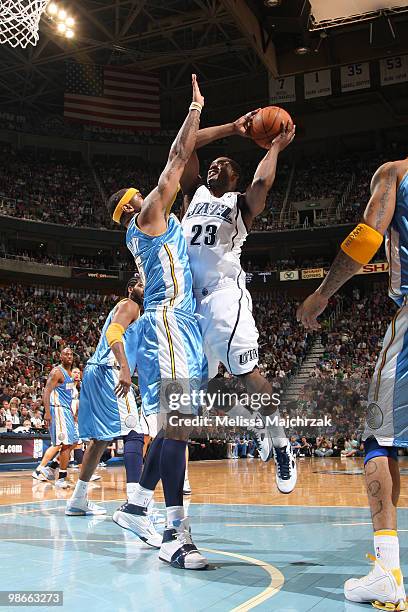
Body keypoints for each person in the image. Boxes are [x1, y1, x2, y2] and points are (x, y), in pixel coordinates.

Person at [106, 74, 208, 570]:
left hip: (177, 323)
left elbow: (178, 164)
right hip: (168, 323)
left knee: (173, 425)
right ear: (134, 205)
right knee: (179, 423)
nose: (154, 191)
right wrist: (194, 110)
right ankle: (174, 532)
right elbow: (175, 160)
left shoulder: (149, 228)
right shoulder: (147, 216)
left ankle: (136, 506)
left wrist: (221, 126)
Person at [297, 157, 408, 609]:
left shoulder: (396, 173)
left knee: (376, 437)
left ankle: (386, 569)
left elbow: (366, 238)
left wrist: (321, 295)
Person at [179, 113, 297, 493]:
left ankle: (281, 442)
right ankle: (255, 422)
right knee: (209, 393)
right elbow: (189, 144)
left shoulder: (239, 204)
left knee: (246, 373)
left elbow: (263, 182)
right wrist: (231, 128)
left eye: (223, 166)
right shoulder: (193, 194)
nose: (215, 167)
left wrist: (275, 146)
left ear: (235, 179)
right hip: (189, 306)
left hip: (223, 298)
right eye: (213, 165)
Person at [65, 277, 146, 519]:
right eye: (140, 284)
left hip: (95, 370)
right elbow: (114, 333)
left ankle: (77, 500)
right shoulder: (130, 306)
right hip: (109, 370)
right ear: (131, 289)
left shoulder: (135, 312)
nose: (145, 287)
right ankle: (135, 504)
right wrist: (123, 367)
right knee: (134, 431)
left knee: (99, 440)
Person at [42, 347, 79, 489]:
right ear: (61, 357)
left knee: (74, 442)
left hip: (66, 411)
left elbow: (67, 395)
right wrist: (47, 412)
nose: (69, 356)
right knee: (65, 443)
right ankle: (61, 478)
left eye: (71, 354)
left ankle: (51, 467)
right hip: (57, 409)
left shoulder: (70, 374)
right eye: (66, 354)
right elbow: (47, 391)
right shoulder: (57, 372)